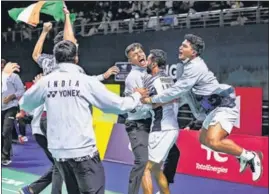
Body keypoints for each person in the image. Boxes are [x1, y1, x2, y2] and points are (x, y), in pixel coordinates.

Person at [19, 39, 148, 194]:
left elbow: (25, 104)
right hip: (83, 154)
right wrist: (136, 96)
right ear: (76, 58)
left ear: (56, 59)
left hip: (60, 155)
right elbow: (119, 106)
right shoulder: (84, 81)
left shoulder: (46, 82)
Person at [20, 8, 119, 194]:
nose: (77, 45)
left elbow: (35, 55)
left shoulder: (48, 62)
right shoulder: (70, 67)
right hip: (63, 119)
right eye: (74, 44)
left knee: (60, 161)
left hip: (47, 118)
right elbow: (71, 41)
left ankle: (36, 189)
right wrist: (66, 16)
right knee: (65, 160)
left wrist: (43, 32)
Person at [142, 34, 263, 182]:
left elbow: (177, 90)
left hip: (223, 104)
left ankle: (251, 156)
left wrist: (153, 99)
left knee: (213, 140)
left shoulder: (196, 67)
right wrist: (164, 104)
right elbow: (183, 96)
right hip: (211, 110)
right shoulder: (183, 68)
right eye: (181, 44)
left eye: (185, 46)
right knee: (203, 139)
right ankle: (241, 156)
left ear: (193, 52)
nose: (180, 47)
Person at [141, 49, 179, 194]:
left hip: (161, 128)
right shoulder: (169, 79)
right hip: (172, 128)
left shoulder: (153, 81)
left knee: (144, 168)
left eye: (149, 60)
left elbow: (154, 102)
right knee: (156, 169)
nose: (147, 62)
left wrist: (142, 100)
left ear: (154, 63)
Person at [123, 43, 152, 194]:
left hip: (149, 122)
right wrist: (155, 103)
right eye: (135, 55)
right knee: (141, 161)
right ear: (131, 61)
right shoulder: (133, 77)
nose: (140, 55)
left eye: (141, 52)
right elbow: (137, 105)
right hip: (137, 124)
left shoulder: (147, 73)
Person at [1, 59, 25, 165]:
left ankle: (5, 156)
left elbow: (21, 90)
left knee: (6, 131)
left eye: (3, 65)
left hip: (11, 107)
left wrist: (11, 96)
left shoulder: (14, 77)